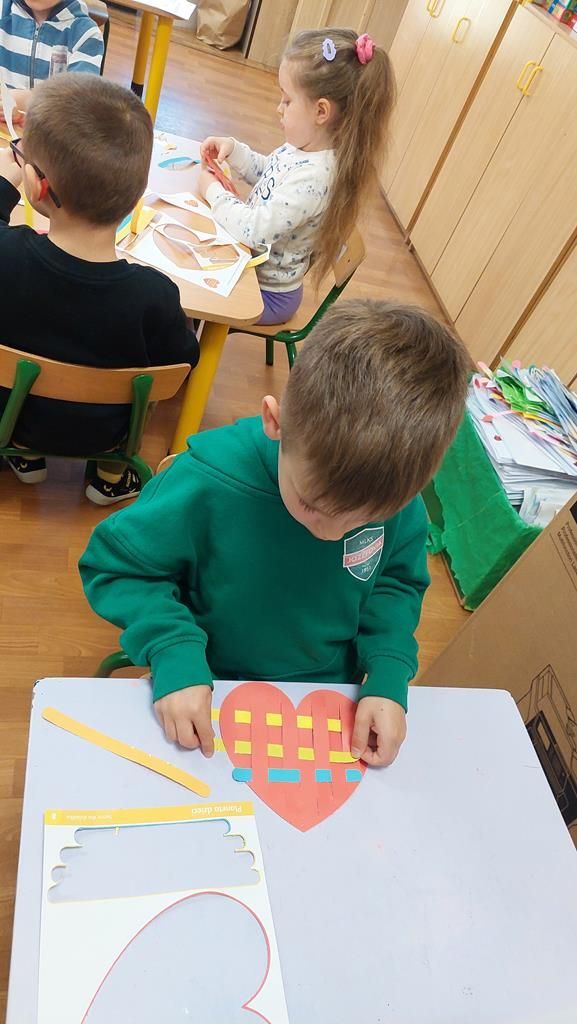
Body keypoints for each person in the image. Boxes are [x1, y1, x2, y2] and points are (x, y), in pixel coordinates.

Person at [79, 299, 469, 765]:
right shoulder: (207, 481)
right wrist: (171, 648)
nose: (332, 535)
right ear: (275, 422)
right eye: (312, 505)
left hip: (327, 698)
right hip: (209, 680)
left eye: (361, 521)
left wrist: (387, 675)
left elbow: (395, 585)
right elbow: (116, 567)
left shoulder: (397, 498)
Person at [0, 74, 199, 504]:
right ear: (136, 194)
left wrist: (6, 179)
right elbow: (182, 364)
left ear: (36, 185)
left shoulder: (7, 256)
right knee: (140, 391)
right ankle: (110, 478)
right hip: (104, 435)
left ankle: (25, 456)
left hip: (12, 419)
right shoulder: (154, 296)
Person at [197, 28, 395, 326]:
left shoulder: (314, 178)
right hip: (249, 265)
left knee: (191, 295)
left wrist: (214, 192)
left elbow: (253, 230)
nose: (279, 108)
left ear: (321, 111)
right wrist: (234, 151)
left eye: (287, 101)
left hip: (266, 293)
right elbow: (270, 172)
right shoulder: (303, 148)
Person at [0, 0, 103, 125]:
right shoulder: (2, 11)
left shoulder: (85, 34)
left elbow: (79, 102)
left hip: (49, 132)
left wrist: (26, 101)